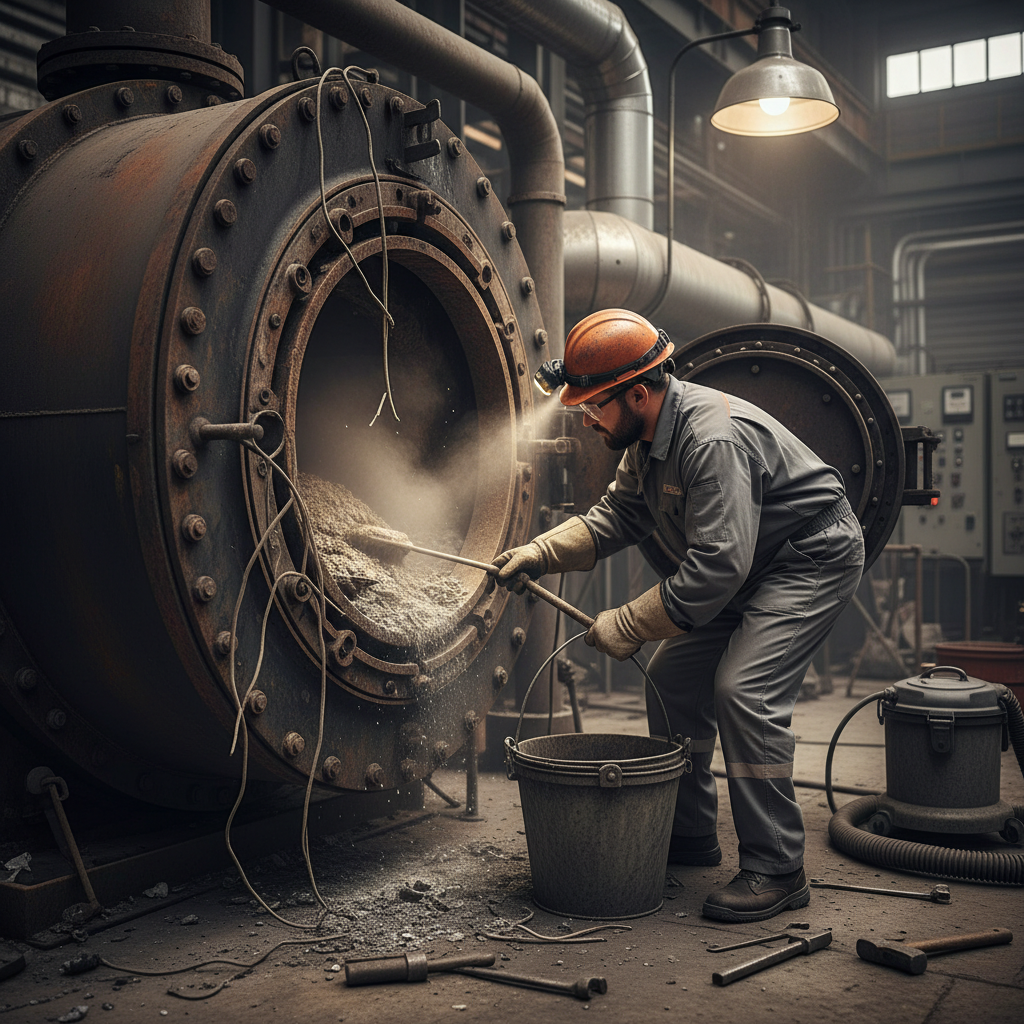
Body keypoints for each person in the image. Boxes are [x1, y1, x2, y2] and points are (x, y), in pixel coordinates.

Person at [495, 308, 864, 923]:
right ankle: (689, 835)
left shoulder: (709, 438)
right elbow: (618, 517)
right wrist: (541, 551)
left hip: (808, 557)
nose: (585, 419)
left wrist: (631, 622)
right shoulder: (646, 437)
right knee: (672, 682)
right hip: (748, 564)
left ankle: (777, 867)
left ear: (638, 392)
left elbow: (718, 566)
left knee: (743, 691)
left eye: (594, 406)